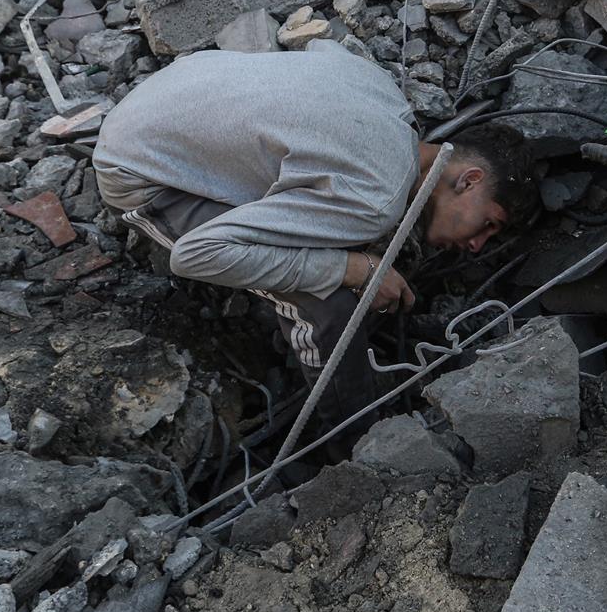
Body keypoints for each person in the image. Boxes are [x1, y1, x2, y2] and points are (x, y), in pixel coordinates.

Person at [92, 39, 534, 428]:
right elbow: (195, 255)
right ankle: (353, 436)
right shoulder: (376, 201)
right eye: (489, 224)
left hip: (167, 92)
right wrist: (353, 268)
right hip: (140, 169)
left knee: (326, 246)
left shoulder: (382, 92)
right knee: (330, 303)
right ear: (469, 180)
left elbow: (325, 46)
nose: (478, 245)